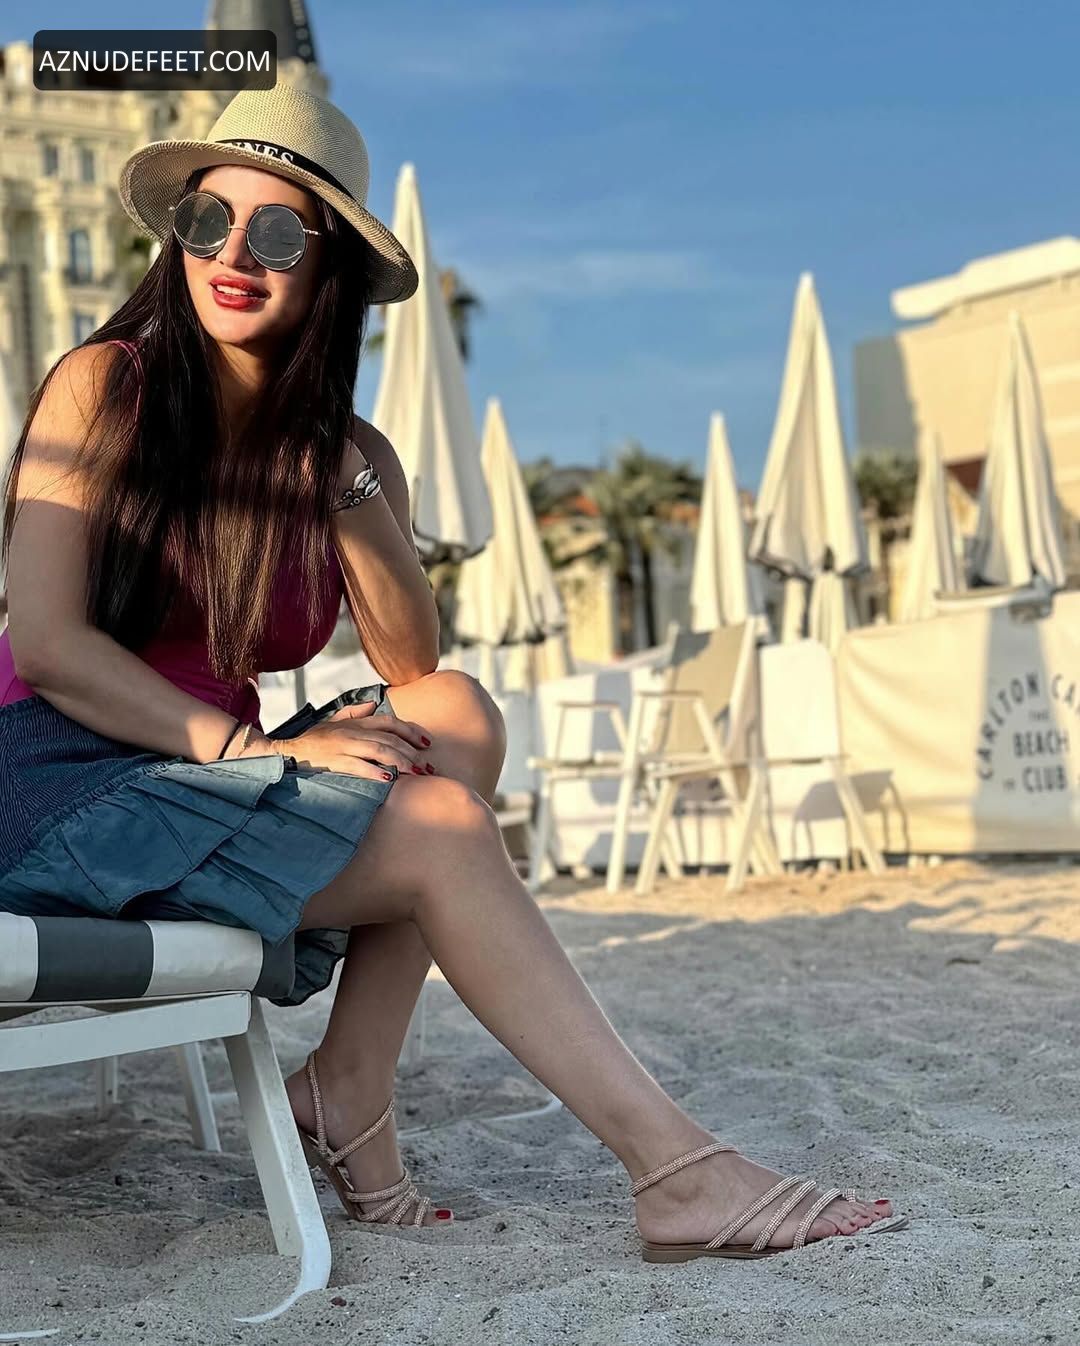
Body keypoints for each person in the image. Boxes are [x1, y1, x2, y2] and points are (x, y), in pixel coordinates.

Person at [0, 84, 905, 1257]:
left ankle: (349, 1080)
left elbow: (407, 658)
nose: (234, 255)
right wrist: (254, 748)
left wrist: (333, 464)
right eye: (208, 220)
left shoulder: (351, 457)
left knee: (456, 713)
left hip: (197, 784)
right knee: (438, 822)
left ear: (329, 270)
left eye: (278, 234)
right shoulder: (106, 385)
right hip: (61, 777)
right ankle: (672, 1168)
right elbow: (48, 643)